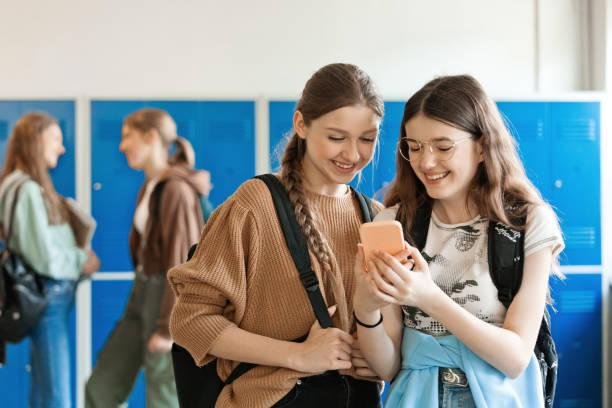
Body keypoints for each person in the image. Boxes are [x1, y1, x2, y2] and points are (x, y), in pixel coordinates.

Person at [168, 63, 385, 408]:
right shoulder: (253, 207)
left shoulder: (374, 216)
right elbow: (192, 321)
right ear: (301, 124)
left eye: (367, 139)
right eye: (336, 137)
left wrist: (373, 356)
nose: (352, 154)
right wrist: (298, 355)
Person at [352, 75, 565, 407]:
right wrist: (365, 308)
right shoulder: (395, 223)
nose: (426, 162)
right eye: (415, 146)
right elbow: (388, 367)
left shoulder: (528, 224)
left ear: (482, 146)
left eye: (443, 146)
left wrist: (428, 297)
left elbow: (514, 358)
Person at [85, 108, 210, 408]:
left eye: (128, 137)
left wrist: (169, 328)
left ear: (151, 137)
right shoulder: (151, 186)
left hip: (167, 297)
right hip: (141, 291)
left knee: (162, 393)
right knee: (100, 388)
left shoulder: (176, 190)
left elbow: (181, 263)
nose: (121, 145)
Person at [0, 112, 100, 408]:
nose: (62, 147)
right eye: (55, 139)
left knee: (43, 390)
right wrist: (82, 259)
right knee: (57, 394)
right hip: (48, 296)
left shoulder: (13, 184)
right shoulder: (28, 189)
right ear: (35, 140)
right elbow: (44, 258)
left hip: (40, 294)